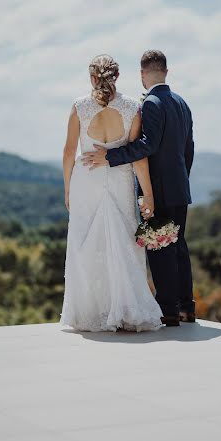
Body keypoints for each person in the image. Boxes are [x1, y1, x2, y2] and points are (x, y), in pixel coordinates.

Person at [82, 50, 195, 327]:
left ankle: (168, 309)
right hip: (180, 187)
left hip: (160, 188)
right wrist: (182, 177)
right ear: (165, 72)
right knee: (178, 246)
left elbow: (147, 146)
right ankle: (185, 306)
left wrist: (110, 156)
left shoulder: (152, 104)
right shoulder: (182, 103)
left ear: (143, 74)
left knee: (160, 249)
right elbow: (188, 149)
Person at [60, 53, 163, 332]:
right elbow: (138, 157)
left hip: (86, 181)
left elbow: (70, 151)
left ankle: (90, 312)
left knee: (86, 245)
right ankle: (128, 310)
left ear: (92, 77)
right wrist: (148, 195)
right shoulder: (132, 107)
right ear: (116, 76)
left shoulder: (79, 106)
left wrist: (68, 188)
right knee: (125, 241)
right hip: (119, 179)